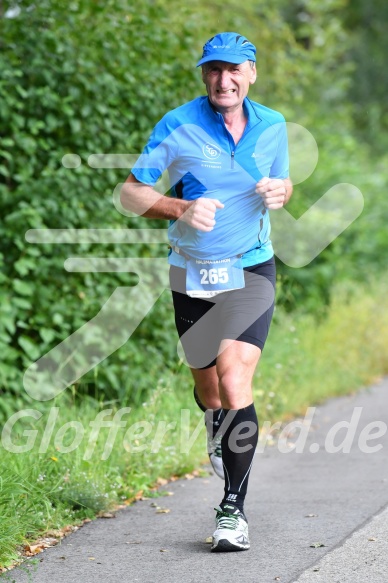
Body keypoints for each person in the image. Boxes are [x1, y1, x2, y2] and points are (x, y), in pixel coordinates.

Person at [121, 31, 293, 552]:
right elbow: (130, 192)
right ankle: (213, 420)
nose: (225, 79)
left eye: (234, 69)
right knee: (209, 387)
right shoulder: (179, 124)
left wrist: (282, 191)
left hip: (251, 267)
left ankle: (231, 512)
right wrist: (178, 208)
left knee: (234, 376)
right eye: (214, 70)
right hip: (193, 270)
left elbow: (281, 185)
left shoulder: (273, 126)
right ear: (204, 75)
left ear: (252, 73)